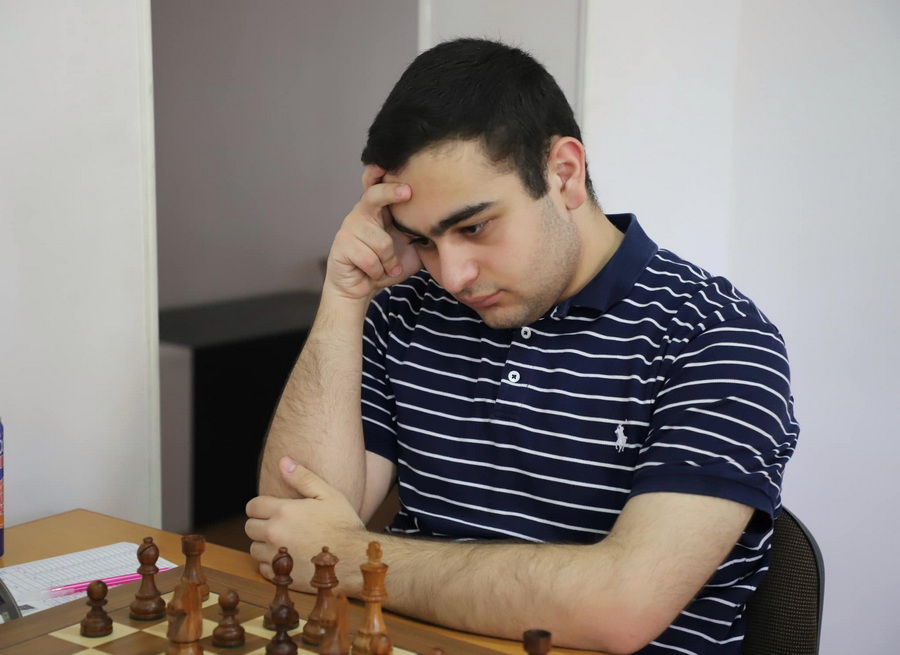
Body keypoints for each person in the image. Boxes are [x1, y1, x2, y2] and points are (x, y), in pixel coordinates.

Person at [245, 38, 799, 654]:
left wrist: (353, 559)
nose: (452, 276)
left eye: (473, 226)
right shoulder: (407, 309)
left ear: (564, 174)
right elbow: (287, 528)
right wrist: (344, 297)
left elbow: (620, 608)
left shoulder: (717, 338)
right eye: (423, 240)